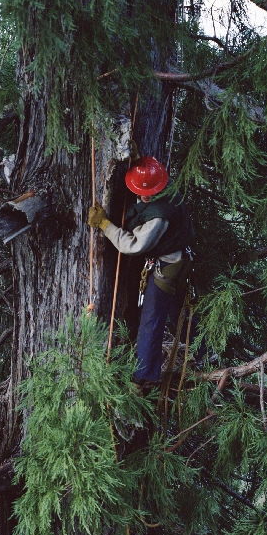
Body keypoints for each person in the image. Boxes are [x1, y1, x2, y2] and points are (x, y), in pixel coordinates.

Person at [88, 155, 195, 385]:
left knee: (151, 321)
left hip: (168, 267)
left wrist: (105, 226)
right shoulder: (163, 184)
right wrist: (135, 161)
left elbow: (133, 245)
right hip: (177, 261)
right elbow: (145, 185)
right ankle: (204, 352)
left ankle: (144, 379)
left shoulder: (158, 218)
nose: (141, 195)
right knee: (178, 313)